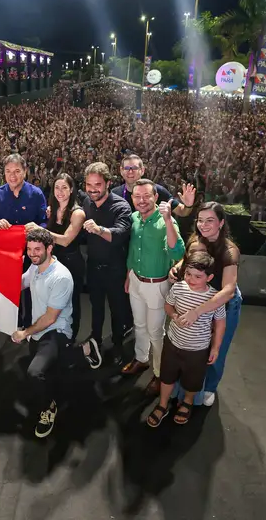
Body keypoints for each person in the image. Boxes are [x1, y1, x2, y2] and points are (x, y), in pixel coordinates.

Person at [11, 229, 102, 439]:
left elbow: (51, 318)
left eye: (38, 249)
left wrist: (25, 332)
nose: (33, 254)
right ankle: (86, 349)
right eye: (30, 249)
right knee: (57, 369)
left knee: (35, 373)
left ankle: (48, 409)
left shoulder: (61, 277)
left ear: (49, 248)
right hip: (39, 331)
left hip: (56, 331)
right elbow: (20, 283)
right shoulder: (35, 268)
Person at [168, 201, 241, 406]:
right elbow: (188, 260)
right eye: (200, 220)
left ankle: (209, 387)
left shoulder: (229, 251)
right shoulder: (197, 240)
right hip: (200, 298)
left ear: (221, 223)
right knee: (196, 347)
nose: (204, 225)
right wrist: (178, 267)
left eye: (210, 220)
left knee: (217, 348)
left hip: (223, 304)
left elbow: (228, 290)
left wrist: (197, 312)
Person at [147, 252, 226, 427]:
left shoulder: (214, 298)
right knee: (167, 376)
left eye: (198, 276)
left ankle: (188, 402)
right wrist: (174, 315)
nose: (191, 279)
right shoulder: (178, 288)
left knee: (193, 380)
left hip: (198, 350)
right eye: (188, 274)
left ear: (209, 277)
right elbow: (168, 305)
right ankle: (162, 404)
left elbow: (220, 323)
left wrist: (215, 348)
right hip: (173, 343)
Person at [122, 179, 185, 396]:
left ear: (156, 197)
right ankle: (141, 359)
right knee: (139, 325)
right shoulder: (133, 218)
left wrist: (168, 220)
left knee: (156, 332)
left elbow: (178, 253)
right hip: (137, 280)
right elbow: (132, 250)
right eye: (137, 196)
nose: (142, 200)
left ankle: (160, 374)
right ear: (132, 198)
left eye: (146, 196)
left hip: (156, 285)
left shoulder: (166, 222)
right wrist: (129, 274)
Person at [80, 162, 132, 365]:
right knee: (96, 309)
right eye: (89, 184)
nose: (93, 189)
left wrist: (99, 229)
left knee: (118, 311)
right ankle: (96, 340)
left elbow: (120, 234)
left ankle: (118, 345)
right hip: (93, 267)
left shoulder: (121, 205)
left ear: (108, 183)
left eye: (98, 184)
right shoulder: (86, 202)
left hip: (115, 270)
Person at [0, 153, 48, 327]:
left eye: (16, 171)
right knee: (9, 288)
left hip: (31, 252)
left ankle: (30, 323)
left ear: (25, 171)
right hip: (7, 252)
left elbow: (44, 221)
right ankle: (12, 322)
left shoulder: (36, 194)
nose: (12, 176)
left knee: (30, 289)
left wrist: (38, 227)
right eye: (8, 171)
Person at [44, 173, 85, 341]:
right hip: (54, 262)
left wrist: (40, 231)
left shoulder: (77, 213)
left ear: (71, 190)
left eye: (64, 188)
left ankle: (71, 337)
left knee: (72, 302)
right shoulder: (52, 209)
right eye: (57, 188)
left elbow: (66, 240)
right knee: (53, 300)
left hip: (72, 262)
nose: (60, 192)